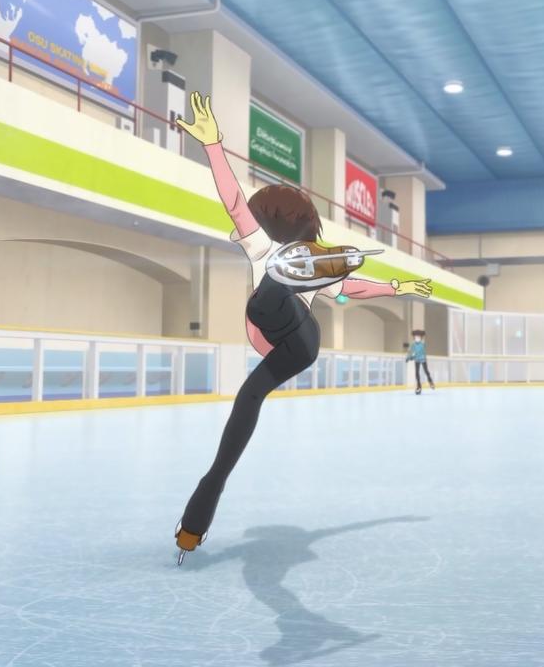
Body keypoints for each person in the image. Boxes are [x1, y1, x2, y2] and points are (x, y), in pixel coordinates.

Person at [172, 93, 433, 563]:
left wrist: (397, 286)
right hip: (271, 333)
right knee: (248, 396)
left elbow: (353, 289)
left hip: (299, 336)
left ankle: (289, 280)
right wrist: (213, 145)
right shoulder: (259, 244)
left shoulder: (283, 256)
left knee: (280, 297)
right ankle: (198, 516)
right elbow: (233, 200)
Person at [406, 329, 435, 395]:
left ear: (421, 337)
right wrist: (408, 357)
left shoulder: (422, 344)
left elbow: (420, 352)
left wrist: (412, 357)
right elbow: (410, 351)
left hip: (422, 359)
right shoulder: (413, 344)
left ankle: (430, 381)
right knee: (417, 373)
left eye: (418, 337)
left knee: (426, 371)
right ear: (414, 337)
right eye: (416, 336)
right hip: (417, 360)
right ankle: (418, 386)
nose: (417, 338)